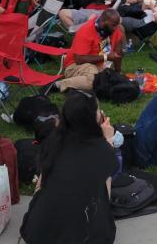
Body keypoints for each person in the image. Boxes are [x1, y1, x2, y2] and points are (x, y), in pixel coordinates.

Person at [19, 89, 119, 244]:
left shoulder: (53, 141)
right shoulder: (101, 149)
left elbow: (39, 186)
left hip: (37, 234)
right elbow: (104, 191)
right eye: (98, 110)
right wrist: (109, 140)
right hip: (83, 237)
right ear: (91, 118)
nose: (101, 113)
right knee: (104, 185)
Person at [56, 10, 124, 92]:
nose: (115, 28)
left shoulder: (114, 30)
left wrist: (118, 73)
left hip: (97, 67)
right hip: (74, 65)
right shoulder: (86, 30)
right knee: (96, 80)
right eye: (113, 25)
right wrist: (106, 57)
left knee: (105, 80)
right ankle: (60, 84)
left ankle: (79, 83)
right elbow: (79, 59)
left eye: (117, 25)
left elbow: (117, 55)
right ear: (103, 22)